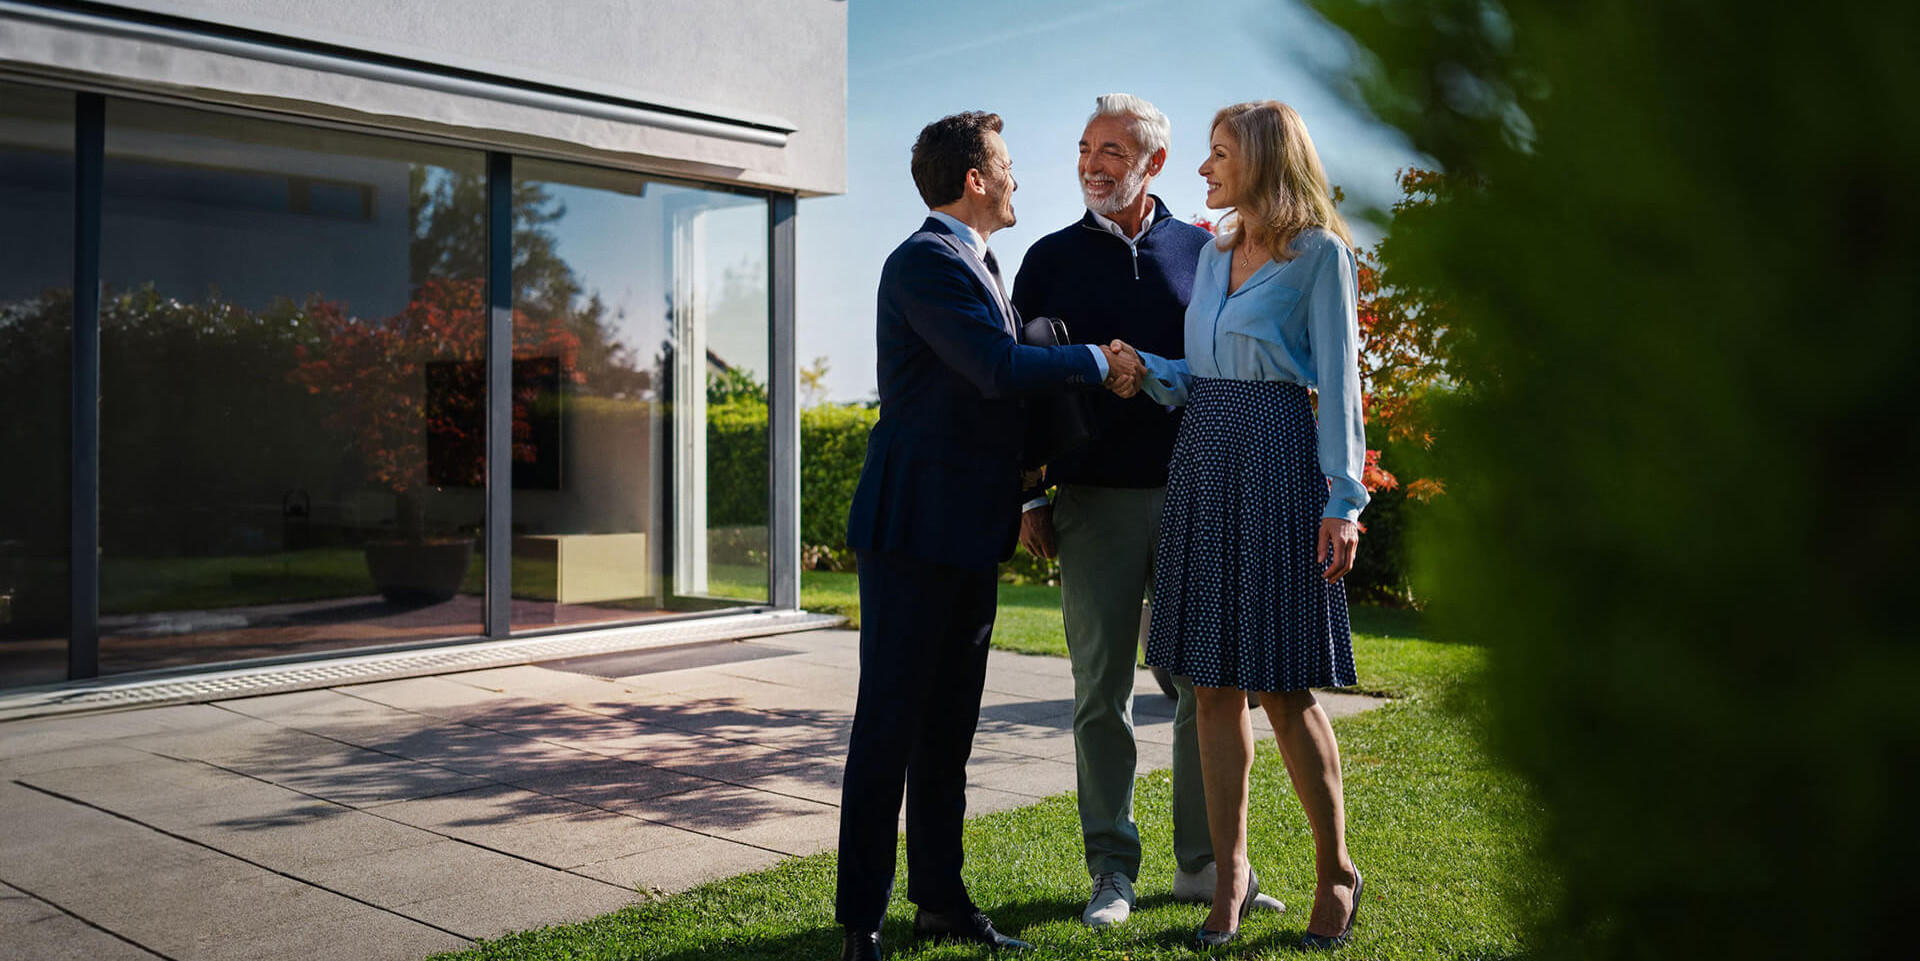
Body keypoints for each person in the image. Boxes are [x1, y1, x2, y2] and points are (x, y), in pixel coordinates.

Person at [835, 110, 1145, 961]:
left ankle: (940, 902)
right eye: (1006, 163)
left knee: (947, 735)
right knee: (889, 729)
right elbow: (995, 368)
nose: (1017, 177)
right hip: (910, 533)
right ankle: (861, 920)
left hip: (969, 533)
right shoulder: (924, 263)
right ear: (975, 179)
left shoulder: (980, 262)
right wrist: (1095, 361)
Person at [1010, 92, 1281, 929]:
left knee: (1209, 683)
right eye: (1086, 149)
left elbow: (1224, 366)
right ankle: (1111, 872)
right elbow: (1021, 382)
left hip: (1195, 491)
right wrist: (1029, 488)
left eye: (1113, 152)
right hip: (1091, 499)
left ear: (1154, 164)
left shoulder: (1206, 251)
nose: (1094, 164)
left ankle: (1203, 865)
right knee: (1101, 691)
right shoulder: (1048, 258)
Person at [1111, 100, 1368, 950]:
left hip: (1277, 465)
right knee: (1211, 688)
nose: (1204, 168)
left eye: (1218, 154)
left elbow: (1339, 382)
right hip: (1205, 457)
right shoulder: (1215, 253)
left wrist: (1343, 500)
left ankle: (1335, 871)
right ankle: (1229, 879)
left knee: (1285, 689)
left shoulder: (1320, 257)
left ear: (1260, 160)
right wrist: (1146, 369)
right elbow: (1207, 370)